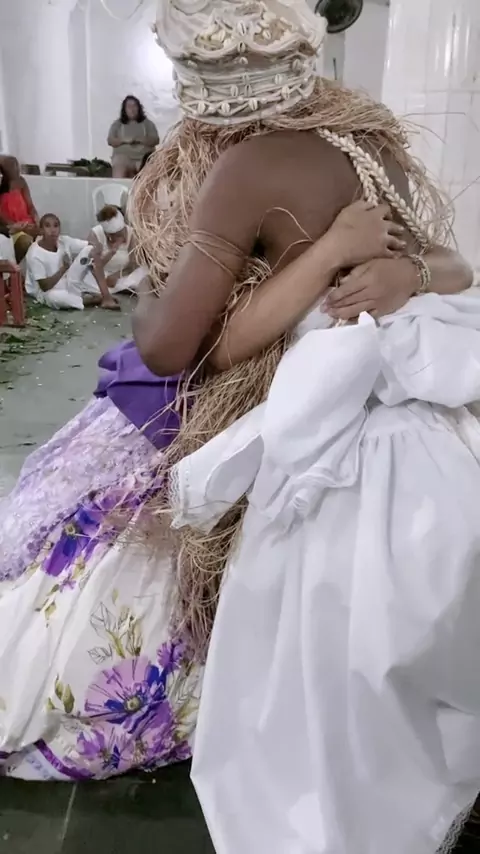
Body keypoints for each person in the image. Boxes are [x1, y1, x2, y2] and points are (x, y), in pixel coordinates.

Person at [0, 5, 473, 837]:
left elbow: (176, 347)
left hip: (302, 409)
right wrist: (406, 271)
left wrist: (152, 288)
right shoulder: (374, 144)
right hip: (408, 418)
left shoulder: (249, 163)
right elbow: (448, 261)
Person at [25, 213, 105, 311]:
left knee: (89, 250)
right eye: (48, 226)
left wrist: (97, 247)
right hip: (47, 291)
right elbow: (45, 286)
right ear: (41, 230)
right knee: (54, 298)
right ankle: (88, 299)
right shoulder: (34, 253)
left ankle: (93, 293)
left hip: (69, 281)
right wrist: (64, 268)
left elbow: (89, 245)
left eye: (56, 226)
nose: (53, 230)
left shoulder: (63, 240)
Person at [72, 204, 145, 310]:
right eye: (110, 235)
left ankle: (109, 292)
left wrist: (117, 275)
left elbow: (134, 263)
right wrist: (112, 252)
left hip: (124, 274)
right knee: (85, 277)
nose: (112, 238)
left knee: (143, 274)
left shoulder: (132, 234)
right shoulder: (95, 234)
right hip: (100, 277)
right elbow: (94, 266)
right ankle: (109, 293)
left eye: (117, 234)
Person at [108, 96, 160, 178]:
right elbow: (110, 141)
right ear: (124, 109)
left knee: (153, 163)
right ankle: (119, 185)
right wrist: (124, 140)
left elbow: (156, 140)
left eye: (134, 106)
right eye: (129, 106)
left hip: (144, 159)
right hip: (125, 158)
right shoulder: (117, 124)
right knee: (119, 163)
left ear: (139, 108)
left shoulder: (148, 124)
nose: (132, 109)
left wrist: (139, 139)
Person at [0, 157, 39, 262]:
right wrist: (18, 226)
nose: (17, 169)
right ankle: (12, 265)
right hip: (12, 228)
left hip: (26, 223)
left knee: (48, 233)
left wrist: (36, 218)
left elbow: (30, 206)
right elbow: (2, 217)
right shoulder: (1, 185)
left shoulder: (21, 182)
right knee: (25, 241)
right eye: (13, 166)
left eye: (17, 165)